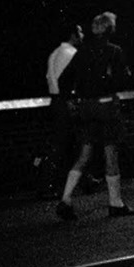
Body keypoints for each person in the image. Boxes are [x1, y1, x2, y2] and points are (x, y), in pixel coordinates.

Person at [55, 11, 134, 220]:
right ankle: (115, 203)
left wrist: (71, 99)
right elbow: (123, 80)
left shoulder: (81, 51)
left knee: (84, 154)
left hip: (85, 108)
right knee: (111, 153)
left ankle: (65, 198)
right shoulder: (114, 51)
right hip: (106, 107)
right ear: (110, 29)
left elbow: (64, 79)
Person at [42, 23, 82, 196]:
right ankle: (47, 185)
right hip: (65, 102)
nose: (82, 35)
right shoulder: (70, 54)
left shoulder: (55, 53)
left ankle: (83, 179)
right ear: (73, 35)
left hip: (56, 101)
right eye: (80, 32)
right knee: (63, 144)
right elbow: (71, 80)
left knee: (68, 142)